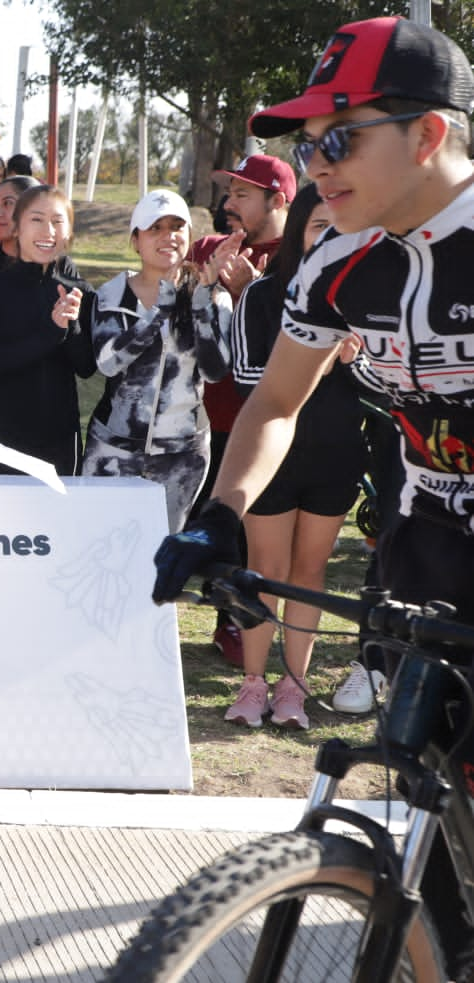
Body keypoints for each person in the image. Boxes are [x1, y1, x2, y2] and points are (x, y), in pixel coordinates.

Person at [152, 18, 474, 946]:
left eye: (341, 137)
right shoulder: (335, 260)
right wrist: (221, 515)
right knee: (428, 785)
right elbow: (275, 404)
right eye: (308, 144)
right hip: (425, 534)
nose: (318, 165)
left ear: (428, 135)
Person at [224, 184, 367, 728]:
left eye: (339, 227)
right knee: (264, 570)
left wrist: (358, 358)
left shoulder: (363, 299)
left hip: (336, 458)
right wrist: (321, 360)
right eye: (316, 227)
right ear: (296, 232)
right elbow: (244, 382)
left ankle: (294, 687)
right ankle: (253, 683)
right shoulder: (261, 297)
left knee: (310, 572)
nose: (328, 237)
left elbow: (385, 387)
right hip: (271, 460)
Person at [186, 152, 297, 668]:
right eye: (229, 193)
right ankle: (226, 619)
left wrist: (250, 292)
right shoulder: (213, 247)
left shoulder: (302, 254)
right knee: (222, 525)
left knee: (267, 536)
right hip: (216, 417)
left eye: (242, 195)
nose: (229, 204)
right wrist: (201, 282)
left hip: (276, 420)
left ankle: (252, 626)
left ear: (279, 200)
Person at [81, 189, 233, 532]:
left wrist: (200, 304)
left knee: (160, 556)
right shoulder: (112, 293)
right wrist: (159, 309)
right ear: (136, 241)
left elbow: (215, 370)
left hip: (182, 454)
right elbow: (108, 362)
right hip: (114, 448)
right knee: (101, 548)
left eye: (177, 227)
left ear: (190, 236)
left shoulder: (213, 294)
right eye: (155, 228)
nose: (168, 237)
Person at [0, 184, 95, 476]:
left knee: (57, 522)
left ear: (69, 232)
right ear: (17, 227)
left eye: (57, 221)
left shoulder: (80, 292)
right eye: (36, 219)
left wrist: (71, 324)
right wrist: (52, 330)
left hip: (61, 440)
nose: (48, 230)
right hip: (0, 437)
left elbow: (86, 367)